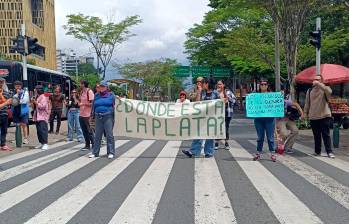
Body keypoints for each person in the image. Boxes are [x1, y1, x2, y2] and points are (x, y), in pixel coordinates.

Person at [182, 77, 219, 158]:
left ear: (208, 84)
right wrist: (199, 92)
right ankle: (193, 151)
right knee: (198, 134)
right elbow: (198, 103)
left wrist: (224, 100)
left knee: (210, 135)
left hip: (212, 117)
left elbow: (220, 104)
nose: (202, 84)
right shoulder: (202, 92)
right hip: (202, 117)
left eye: (204, 82)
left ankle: (209, 152)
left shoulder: (216, 93)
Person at [304, 75, 335, 158]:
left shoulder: (325, 89)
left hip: (324, 115)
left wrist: (319, 84)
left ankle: (329, 152)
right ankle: (317, 151)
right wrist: (305, 114)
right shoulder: (310, 90)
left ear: (322, 80)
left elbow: (329, 91)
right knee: (316, 136)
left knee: (326, 135)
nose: (315, 80)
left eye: (318, 79)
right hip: (313, 116)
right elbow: (307, 103)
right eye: (314, 79)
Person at [89, 81, 116, 159]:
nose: (101, 88)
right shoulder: (96, 95)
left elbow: (117, 105)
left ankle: (111, 152)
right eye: (100, 86)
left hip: (108, 116)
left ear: (107, 87)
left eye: (103, 86)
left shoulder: (111, 95)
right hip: (98, 116)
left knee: (109, 135)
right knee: (97, 135)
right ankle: (95, 152)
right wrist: (92, 115)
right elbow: (93, 106)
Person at [253, 79, 277, 162]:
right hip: (258, 119)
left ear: (267, 86)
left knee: (270, 137)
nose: (263, 86)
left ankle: (272, 153)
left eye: (265, 84)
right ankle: (258, 153)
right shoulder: (255, 95)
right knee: (260, 137)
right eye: (262, 84)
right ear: (260, 86)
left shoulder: (272, 95)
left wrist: (280, 96)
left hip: (269, 119)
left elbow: (278, 103)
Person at [215, 80, 236, 150]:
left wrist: (228, 98)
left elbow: (234, 100)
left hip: (227, 112)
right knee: (218, 127)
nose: (219, 86)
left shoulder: (228, 92)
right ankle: (216, 142)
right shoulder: (215, 93)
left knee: (226, 127)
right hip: (217, 113)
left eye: (220, 84)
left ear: (223, 85)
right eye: (218, 84)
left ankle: (226, 142)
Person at [32, 85, 50, 150]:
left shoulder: (43, 97)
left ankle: (45, 143)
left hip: (43, 116)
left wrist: (36, 102)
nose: (35, 91)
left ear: (38, 90)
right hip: (37, 116)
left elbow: (43, 106)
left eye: (35, 89)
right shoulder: (37, 96)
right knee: (39, 130)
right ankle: (41, 143)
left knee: (43, 130)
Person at [79, 80, 95, 151]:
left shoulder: (90, 92)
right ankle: (87, 145)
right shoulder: (82, 92)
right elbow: (80, 101)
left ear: (84, 84)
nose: (80, 85)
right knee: (84, 130)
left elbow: (92, 103)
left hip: (88, 115)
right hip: (81, 114)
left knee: (89, 130)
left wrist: (84, 104)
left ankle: (94, 145)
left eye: (81, 84)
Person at [0, 78, 12, 151]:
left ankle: (3, 144)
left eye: (2, 82)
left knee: (4, 130)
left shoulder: (6, 93)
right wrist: (6, 103)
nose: (1, 84)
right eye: (0, 82)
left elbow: (9, 103)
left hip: (4, 114)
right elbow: (7, 103)